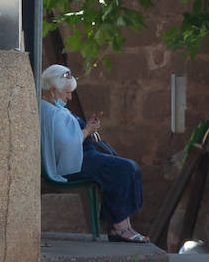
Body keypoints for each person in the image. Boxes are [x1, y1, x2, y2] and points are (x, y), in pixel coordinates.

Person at [39, 64, 150, 243]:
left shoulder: (53, 109)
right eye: (66, 92)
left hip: (83, 157)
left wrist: (86, 128)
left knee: (127, 167)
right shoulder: (51, 112)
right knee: (123, 168)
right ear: (53, 90)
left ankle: (123, 226)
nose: (69, 97)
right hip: (74, 162)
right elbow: (65, 146)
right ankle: (120, 228)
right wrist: (87, 131)